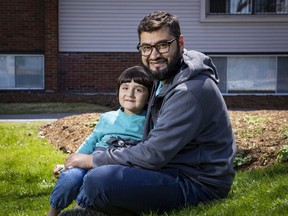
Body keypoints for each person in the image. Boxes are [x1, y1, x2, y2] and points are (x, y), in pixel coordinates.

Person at [60, 11, 236, 216]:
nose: (154, 55)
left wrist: (92, 160)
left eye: (162, 45)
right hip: (170, 168)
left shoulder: (189, 92)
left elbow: (154, 154)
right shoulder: (166, 77)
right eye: (146, 47)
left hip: (197, 182)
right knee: (103, 174)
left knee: (99, 180)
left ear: (180, 43)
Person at [47, 65, 153, 216]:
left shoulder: (149, 122)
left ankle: (80, 211)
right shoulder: (108, 118)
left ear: (149, 95)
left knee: (91, 181)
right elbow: (91, 142)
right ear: (118, 91)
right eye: (125, 88)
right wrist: (70, 163)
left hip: (115, 168)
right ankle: (52, 212)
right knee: (70, 178)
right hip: (92, 159)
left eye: (138, 89)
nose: (130, 94)